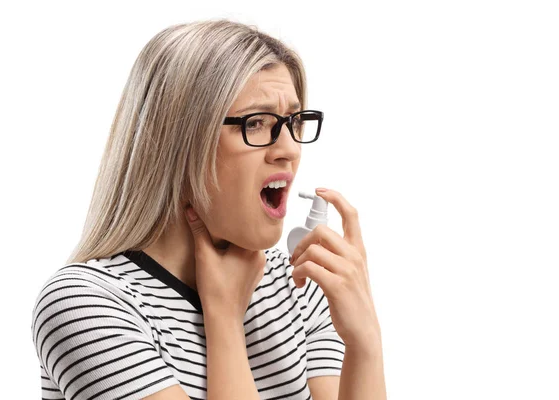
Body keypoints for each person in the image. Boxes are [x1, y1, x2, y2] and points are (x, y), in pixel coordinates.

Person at [31, 19, 385, 400]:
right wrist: (224, 321)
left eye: (294, 122)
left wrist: (364, 342)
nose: (290, 149)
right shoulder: (86, 304)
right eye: (257, 122)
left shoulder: (300, 288)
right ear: (178, 143)